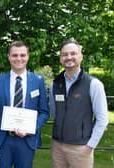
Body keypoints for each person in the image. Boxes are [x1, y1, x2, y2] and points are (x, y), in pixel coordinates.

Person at [0, 41, 49, 168]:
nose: (18, 58)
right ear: (8, 57)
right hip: (3, 140)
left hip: (27, 140)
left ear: (28, 56)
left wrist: (31, 127)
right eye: (14, 55)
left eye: (22, 55)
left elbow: (44, 112)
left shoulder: (38, 81)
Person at [50, 38, 108, 168]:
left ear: (81, 56)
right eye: (65, 54)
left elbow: (102, 118)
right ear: (60, 58)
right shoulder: (56, 84)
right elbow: (54, 113)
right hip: (57, 147)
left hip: (81, 148)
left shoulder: (93, 84)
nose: (69, 57)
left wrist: (90, 146)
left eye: (73, 53)